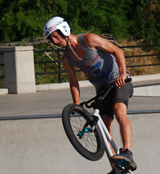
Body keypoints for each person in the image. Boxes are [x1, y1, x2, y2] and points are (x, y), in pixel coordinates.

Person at [43, 16, 137, 174]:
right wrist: (77, 105)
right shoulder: (67, 59)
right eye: (51, 39)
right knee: (104, 128)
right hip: (102, 89)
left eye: (55, 35)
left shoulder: (88, 39)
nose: (54, 40)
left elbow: (117, 51)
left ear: (63, 29)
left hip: (120, 81)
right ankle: (117, 168)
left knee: (119, 110)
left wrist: (122, 74)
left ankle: (127, 152)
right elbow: (73, 82)